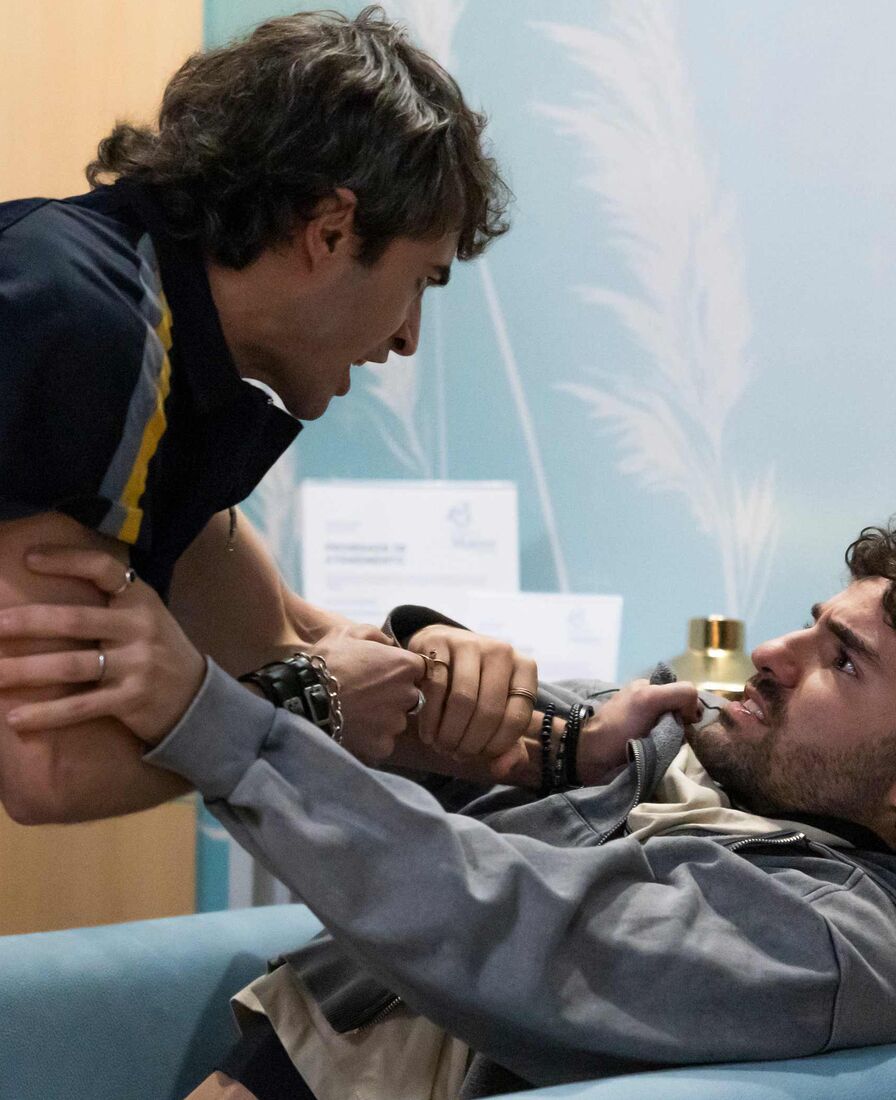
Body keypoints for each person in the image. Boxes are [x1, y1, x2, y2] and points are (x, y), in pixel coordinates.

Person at [0, 512, 896, 1099]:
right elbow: (446, 729)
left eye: (840, 661)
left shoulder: (832, 943)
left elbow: (502, 919)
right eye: (810, 621)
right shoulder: (686, 744)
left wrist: (210, 716)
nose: (769, 650)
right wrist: (434, 658)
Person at [0, 7, 532, 826]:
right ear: (331, 231)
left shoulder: (165, 348)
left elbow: (292, 648)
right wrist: (316, 703)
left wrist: (529, 720)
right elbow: (53, 764)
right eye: (419, 281)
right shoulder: (82, 320)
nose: (407, 337)